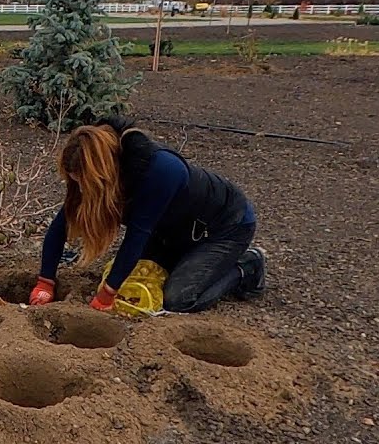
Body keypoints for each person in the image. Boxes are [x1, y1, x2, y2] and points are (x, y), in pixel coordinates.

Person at [29, 117, 266, 313]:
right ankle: (189, 262)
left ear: (102, 172)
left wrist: (105, 296)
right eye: (75, 181)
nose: (80, 189)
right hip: (172, 231)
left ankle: (247, 266)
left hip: (224, 227)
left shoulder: (161, 170)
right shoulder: (92, 178)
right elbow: (63, 223)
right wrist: (45, 281)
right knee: (135, 279)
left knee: (178, 299)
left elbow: (137, 236)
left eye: (83, 182)